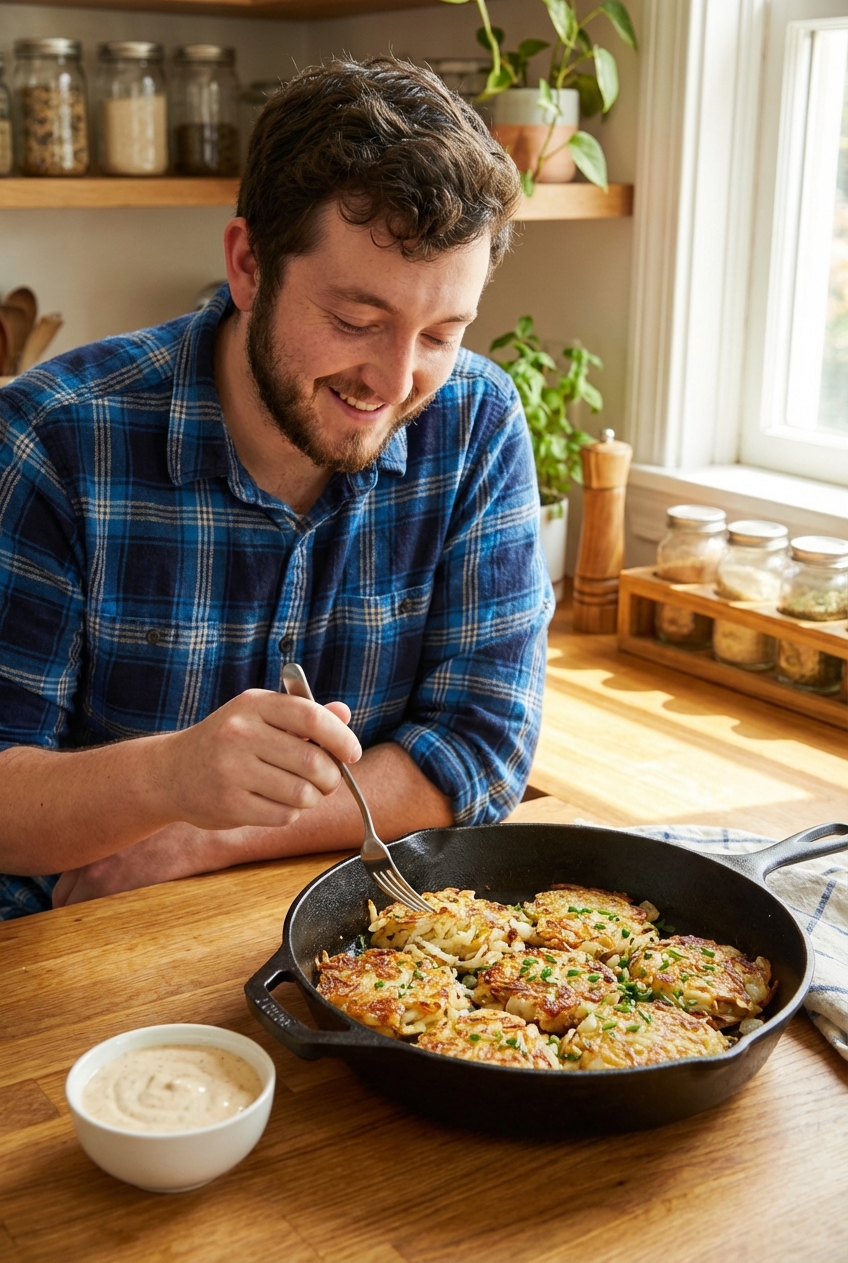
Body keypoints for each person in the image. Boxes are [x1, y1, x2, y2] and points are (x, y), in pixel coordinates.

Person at [0, 57, 552, 919]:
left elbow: (482, 749)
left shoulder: (477, 423)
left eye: (441, 334)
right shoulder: (52, 440)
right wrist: (166, 776)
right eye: (356, 322)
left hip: (357, 941)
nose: (395, 381)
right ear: (248, 265)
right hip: (81, 952)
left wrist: (200, 831)